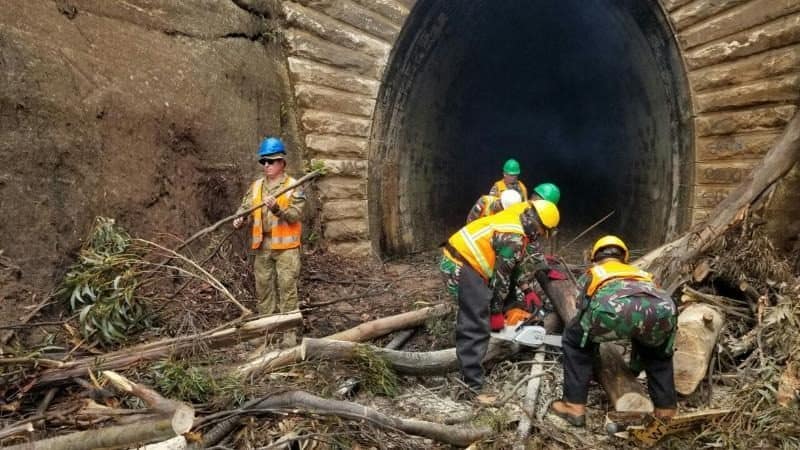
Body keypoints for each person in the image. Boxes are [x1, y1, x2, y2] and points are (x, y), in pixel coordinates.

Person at [550, 235, 678, 426]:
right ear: (624, 257)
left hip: (611, 312)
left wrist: (589, 343)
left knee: (574, 340)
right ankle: (666, 410)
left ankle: (574, 406)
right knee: (657, 353)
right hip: (662, 311)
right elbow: (649, 303)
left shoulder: (594, 272)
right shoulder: (641, 272)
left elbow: (582, 305)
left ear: (595, 257)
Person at [440, 200, 560, 391]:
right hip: (459, 264)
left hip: (466, 259)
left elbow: (516, 264)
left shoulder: (521, 216)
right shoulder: (515, 236)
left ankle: (498, 333)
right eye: (543, 233)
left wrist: (527, 289)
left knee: (493, 302)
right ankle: (472, 385)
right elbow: (502, 277)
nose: (541, 237)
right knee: (475, 320)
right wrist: (495, 311)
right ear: (540, 226)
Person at [233, 137, 306, 343]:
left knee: (287, 290)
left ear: (282, 162)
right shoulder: (256, 186)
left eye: (271, 161)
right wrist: (241, 218)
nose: (267, 165)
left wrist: (277, 209)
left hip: (286, 247)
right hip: (263, 245)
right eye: (263, 161)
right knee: (263, 289)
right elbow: (246, 207)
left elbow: (296, 215)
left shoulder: (293, 186)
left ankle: (289, 335)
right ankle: (266, 331)